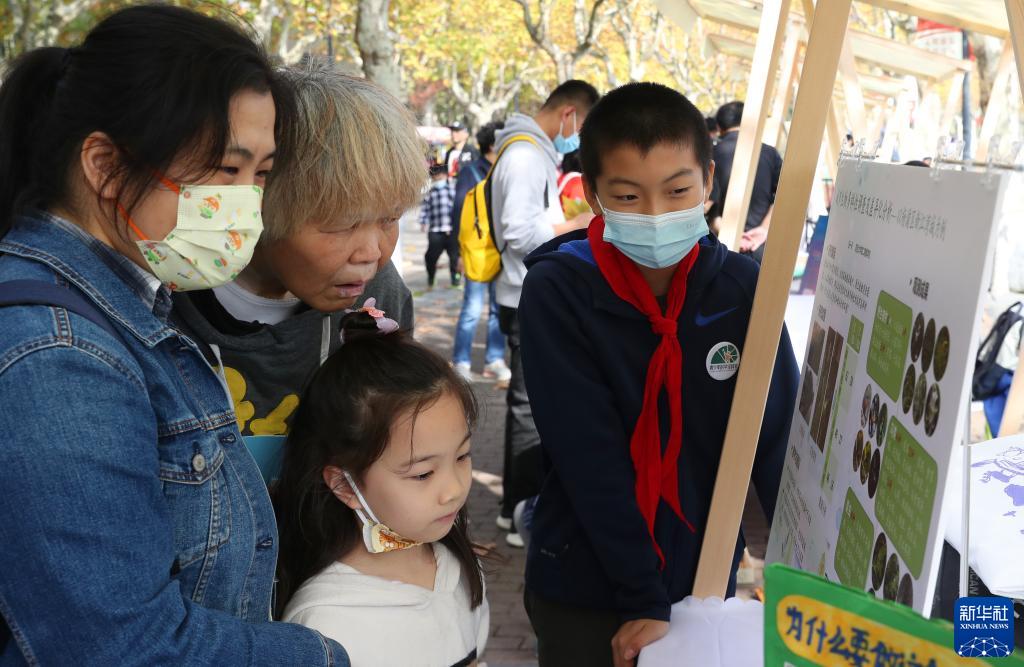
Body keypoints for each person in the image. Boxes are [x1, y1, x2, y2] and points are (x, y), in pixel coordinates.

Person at [0, 6, 347, 664]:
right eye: (224, 169)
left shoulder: (128, 306)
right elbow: (122, 647)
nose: (245, 204)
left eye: (261, 174)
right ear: (105, 165)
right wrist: (330, 655)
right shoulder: (58, 355)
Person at [518, 82, 799, 667]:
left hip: (704, 575)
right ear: (593, 195)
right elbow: (588, 453)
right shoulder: (559, 290)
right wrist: (641, 594)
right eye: (628, 195)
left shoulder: (741, 289)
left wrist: (805, 576)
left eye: (677, 191)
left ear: (708, 183)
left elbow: (776, 442)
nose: (655, 214)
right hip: (587, 582)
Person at [172, 61, 422, 458]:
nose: (372, 254)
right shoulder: (168, 299)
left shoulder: (380, 295)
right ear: (262, 197)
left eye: (390, 219)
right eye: (343, 224)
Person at [276, 308, 489, 667]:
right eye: (423, 474)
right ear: (344, 485)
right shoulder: (324, 624)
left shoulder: (459, 566)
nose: (453, 489)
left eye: (462, 456)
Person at [491, 79, 600, 546]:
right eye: (583, 128)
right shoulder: (525, 155)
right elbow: (519, 231)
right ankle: (522, 509)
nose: (579, 139)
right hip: (523, 291)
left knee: (527, 402)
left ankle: (512, 507)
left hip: (523, 288)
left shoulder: (531, 151)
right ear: (568, 114)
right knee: (529, 406)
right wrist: (574, 223)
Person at [451, 121, 511, 383]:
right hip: (476, 252)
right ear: (493, 144)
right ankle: (461, 361)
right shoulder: (471, 172)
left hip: (503, 252)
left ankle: (494, 359)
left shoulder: (507, 171)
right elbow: (458, 214)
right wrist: (457, 254)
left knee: (499, 308)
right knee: (472, 309)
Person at [707, 100, 783, 263]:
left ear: (719, 127)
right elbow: (784, 196)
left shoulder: (710, 153)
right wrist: (763, 229)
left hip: (717, 247)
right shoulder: (770, 154)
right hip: (758, 246)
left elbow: (705, 204)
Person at [421, 162, 460, 288]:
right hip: (435, 230)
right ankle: (431, 277)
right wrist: (423, 221)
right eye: (434, 178)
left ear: (445, 176)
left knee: (455, 257)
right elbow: (425, 209)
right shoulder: (430, 193)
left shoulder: (452, 190)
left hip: (451, 230)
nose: (436, 180)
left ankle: (456, 279)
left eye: (438, 177)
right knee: (430, 257)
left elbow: (458, 208)